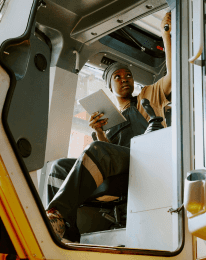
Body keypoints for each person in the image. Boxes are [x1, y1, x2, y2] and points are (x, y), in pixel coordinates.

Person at [45, 12, 172, 242]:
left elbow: (173, 75)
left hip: (147, 161)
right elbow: (106, 159)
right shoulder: (109, 118)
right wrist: (101, 132)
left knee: (95, 149)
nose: (125, 79)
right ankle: (66, 230)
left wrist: (166, 35)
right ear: (109, 86)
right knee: (57, 167)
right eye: (118, 77)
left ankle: (56, 213)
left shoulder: (147, 95)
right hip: (122, 168)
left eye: (129, 75)